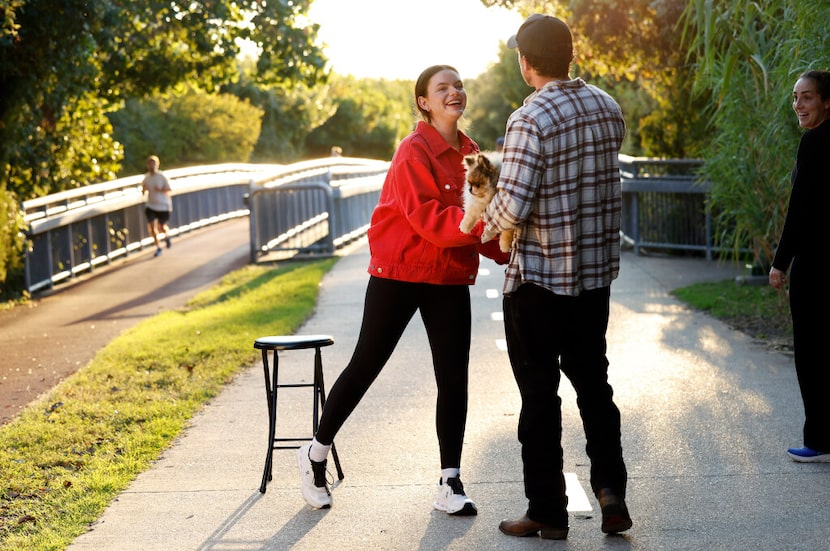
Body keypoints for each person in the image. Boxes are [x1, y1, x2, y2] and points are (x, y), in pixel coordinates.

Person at [296, 65, 509, 514]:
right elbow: (431, 218)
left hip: (448, 275)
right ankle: (315, 452)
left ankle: (449, 482)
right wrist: (486, 230)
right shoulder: (412, 151)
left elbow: (480, 214)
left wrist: (509, 252)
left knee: (453, 377)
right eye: (442, 88)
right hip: (400, 271)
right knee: (366, 363)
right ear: (424, 103)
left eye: (458, 85)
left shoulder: (474, 154)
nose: (455, 91)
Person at [480, 14, 631, 540]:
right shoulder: (608, 106)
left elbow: (513, 206)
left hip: (540, 282)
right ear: (570, 54)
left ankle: (547, 510)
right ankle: (611, 493)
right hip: (593, 280)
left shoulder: (530, 118)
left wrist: (484, 217)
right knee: (594, 385)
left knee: (539, 397)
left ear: (525, 61)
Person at [769, 69, 830, 463]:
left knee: (812, 352)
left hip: (818, 265)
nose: (798, 105)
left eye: (807, 97)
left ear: (827, 101)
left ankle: (819, 439)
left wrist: (780, 263)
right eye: (795, 98)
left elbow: (800, 211)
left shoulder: (814, 143)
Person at [141, 155, 173, 257]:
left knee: (161, 227)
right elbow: (143, 191)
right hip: (151, 205)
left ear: (157, 165)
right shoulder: (146, 178)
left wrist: (159, 190)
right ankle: (158, 247)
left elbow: (169, 190)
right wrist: (144, 189)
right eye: (150, 164)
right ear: (148, 165)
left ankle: (167, 236)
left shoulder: (162, 176)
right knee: (151, 226)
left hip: (163, 205)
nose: (152, 166)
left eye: (154, 164)